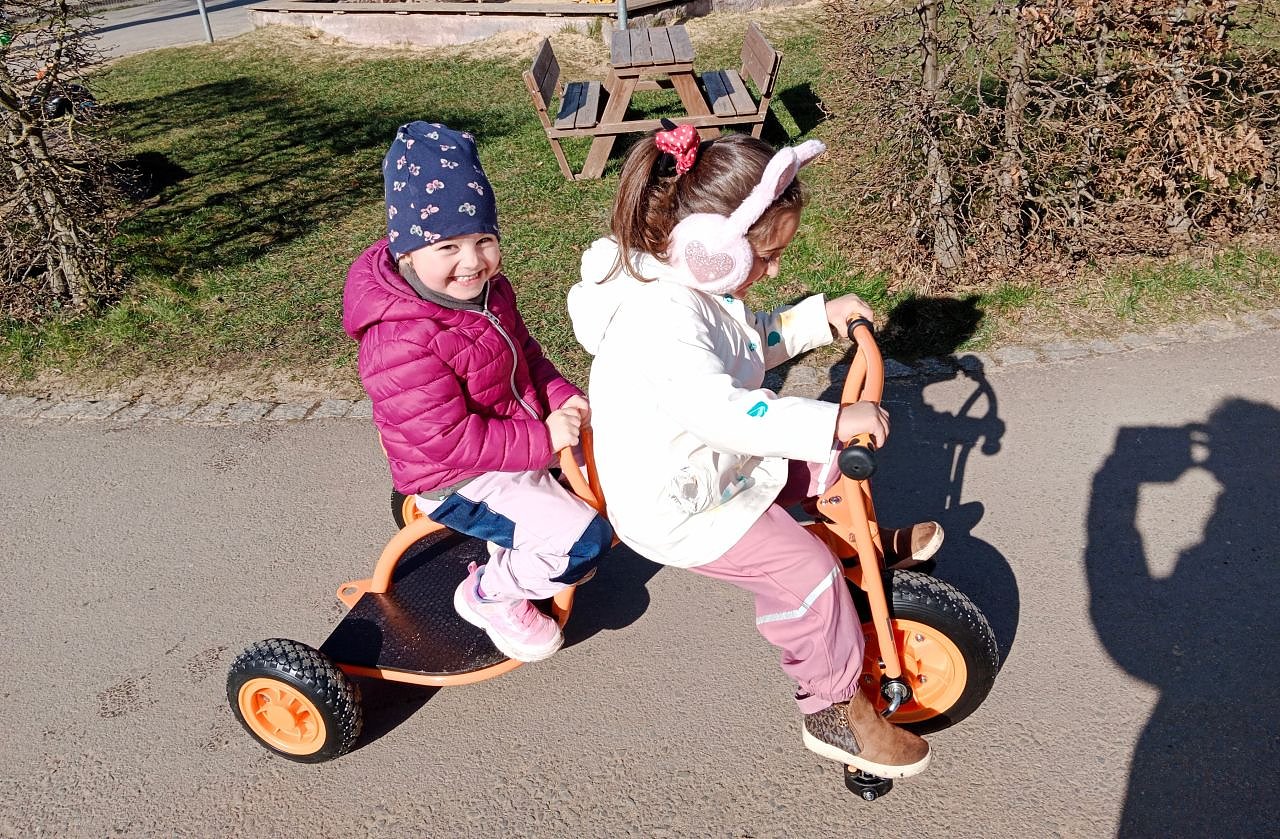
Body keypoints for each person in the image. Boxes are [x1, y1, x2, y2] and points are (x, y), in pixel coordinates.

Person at [566, 125, 938, 778]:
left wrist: (817, 318)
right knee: (804, 572)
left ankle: (859, 547)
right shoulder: (661, 321)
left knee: (829, 466)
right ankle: (832, 709)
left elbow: (748, 343)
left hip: (711, 463)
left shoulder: (698, 292)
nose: (774, 270)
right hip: (681, 505)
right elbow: (725, 413)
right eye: (765, 257)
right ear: (710, 248)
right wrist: (833, 417)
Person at [343, 121, 612, 663]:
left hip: (513, 438)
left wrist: (560, 396)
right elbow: (446, 441)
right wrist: (542, 440)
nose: (472, 262)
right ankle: (489, 594)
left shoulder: (487, 293)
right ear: (407, 253)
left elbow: (524, 355)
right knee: (584, 544)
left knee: (618, 459)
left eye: (483, 240)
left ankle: (521, 539)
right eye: (448, 246)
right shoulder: (401, 339)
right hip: (458, 474)